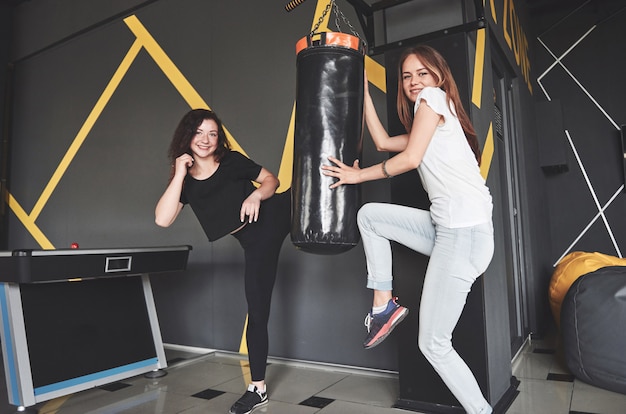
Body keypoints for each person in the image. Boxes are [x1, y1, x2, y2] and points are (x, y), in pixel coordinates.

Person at [321, 45, 494, 414]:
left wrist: (356, 176)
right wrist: (363, 94)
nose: (414, 82)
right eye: (407, 76)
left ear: (438, 77)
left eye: (422, 73)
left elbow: (410, 159)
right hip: (449, 231)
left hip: (463, 236)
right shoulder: (428, 120)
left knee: (434, 344)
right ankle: (383, 305)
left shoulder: (433, 99)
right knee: (370, 216)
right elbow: (384, 143)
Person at [155, 108, 291, 414]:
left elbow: (271, 180)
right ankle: (258, 389)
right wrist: (178, 172)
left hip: (278, 213)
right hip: (254, 242)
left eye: (212, 133)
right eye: (199, 133)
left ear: (219, 138)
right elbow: (163, 219)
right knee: (257, 312)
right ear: (187, 136)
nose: (206, 140)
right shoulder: (186, 183)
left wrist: (257, 196)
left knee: (322, 182)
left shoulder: (232, 161)